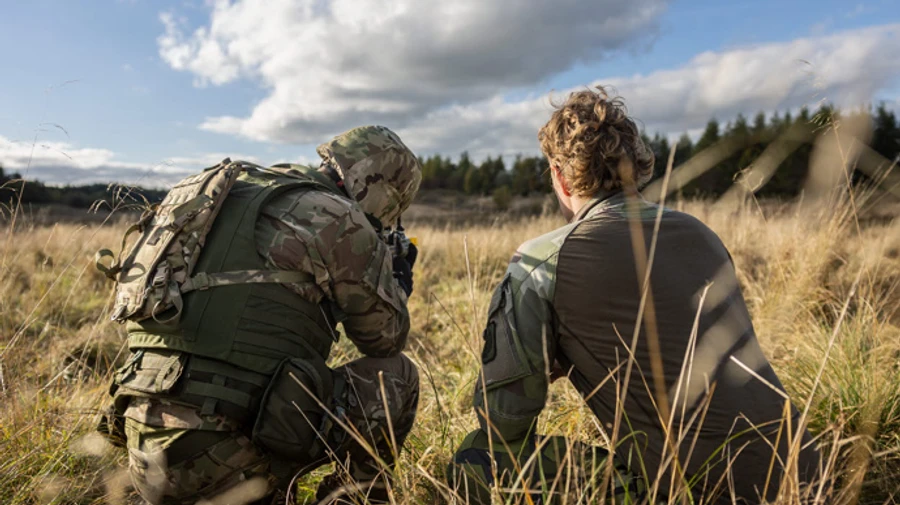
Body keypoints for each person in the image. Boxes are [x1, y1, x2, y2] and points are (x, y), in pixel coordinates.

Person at [447, 87, 822, 504]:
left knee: (477, 459)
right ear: (637, 166)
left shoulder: (542, 260)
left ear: (558, 173)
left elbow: (504, 421)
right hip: (804, 474)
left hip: (694, 490)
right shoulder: (702, 234)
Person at [96, 125, 422, 505]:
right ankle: (351, 499)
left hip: (139, 437)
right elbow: (385, 339)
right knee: (398, 377)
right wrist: (396, 280)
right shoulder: (339, 217)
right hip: (230, 451)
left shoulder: (216, 193)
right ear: (382, 191)